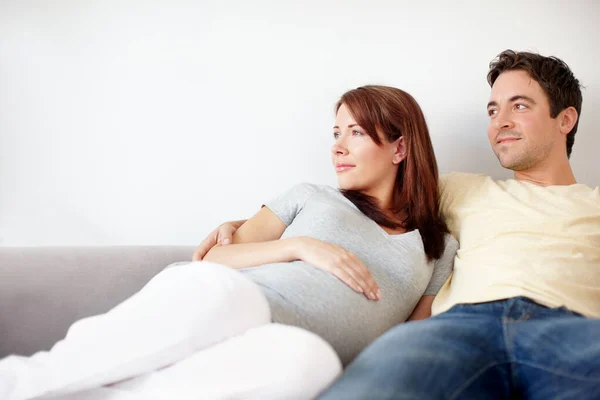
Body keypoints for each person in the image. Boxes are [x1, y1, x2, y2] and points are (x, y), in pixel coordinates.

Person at [0, 86, 457, 400]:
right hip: (234, 298)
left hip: (288, 346)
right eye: (335, 133)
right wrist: (300, 247)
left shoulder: (436, 247)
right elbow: (216, 257)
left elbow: (407, 339)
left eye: (355, 133)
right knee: (226, 294)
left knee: (309, 363)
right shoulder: (310, 196)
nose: (338, 147)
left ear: (400, 148)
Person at [204, 50, 600, 399]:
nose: (501, 121)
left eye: (520, 106)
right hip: (458, 330)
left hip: (568, 327)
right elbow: (371, 197)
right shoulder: (460, 190)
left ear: (565, 119)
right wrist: (250, 223)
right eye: (493, 110)